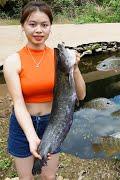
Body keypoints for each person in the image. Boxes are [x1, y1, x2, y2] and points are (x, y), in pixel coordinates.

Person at [3, 1, 86, 179]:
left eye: (44, 25)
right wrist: (32, 136)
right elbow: (18, 103)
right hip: (23, 124)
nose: (38, 30)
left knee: (49, 177)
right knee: (26, 177)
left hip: (54, 123)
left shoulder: (59, 58)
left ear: (50, 27)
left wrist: (75, 68)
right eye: (32, 24)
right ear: (22, 26)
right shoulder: (13, 61)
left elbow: (81, 95)